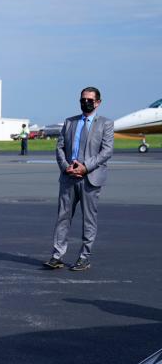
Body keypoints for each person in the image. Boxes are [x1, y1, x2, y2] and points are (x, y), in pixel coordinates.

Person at [44, 87, 114, 272]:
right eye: (83, 99)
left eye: (90, 99)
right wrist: (65, 166)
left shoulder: (105, 124)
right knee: (63, 218)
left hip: (90, 178)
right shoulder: (69, 122)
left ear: (98, 102)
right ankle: (57, 256)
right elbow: (59, 148)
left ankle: (84, 257)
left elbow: (106, 151)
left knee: (88, 219)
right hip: (68, 177)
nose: (86, 102)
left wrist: (85, 166)